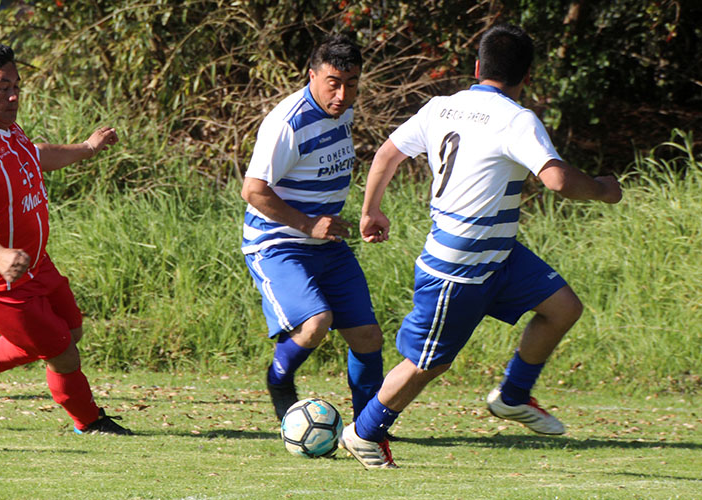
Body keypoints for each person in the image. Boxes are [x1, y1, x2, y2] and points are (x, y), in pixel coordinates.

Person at [341, 24, 622, 468]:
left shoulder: (442, 107)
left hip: (500, 255)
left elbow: (387, 155)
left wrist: (369, 210)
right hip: (459, 266)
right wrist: (606, 189)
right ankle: (364, 431)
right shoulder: (516, 119)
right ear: (526, 77)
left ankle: (512, 396)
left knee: (563, 306)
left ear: (477, 67)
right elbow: (558, 180)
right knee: (426, 364)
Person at [0, 42, 131, 435]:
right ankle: (90, 422)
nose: (13, 95)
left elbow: (35, 154)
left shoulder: (8, 129)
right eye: (2, 86)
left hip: (32, 262)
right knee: (62, 351)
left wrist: (87, 148)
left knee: (70, 330)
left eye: (16, 85)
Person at [241, 34, 386, 424]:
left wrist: (366, 214)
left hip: (326, 243)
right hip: (277, 244)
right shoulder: (287, 123)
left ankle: (369, 427)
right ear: (312, 76)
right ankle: (279, 380)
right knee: (315, 322)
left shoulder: (344, 111)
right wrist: (307, 223)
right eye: (333, 83)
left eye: (351, 83)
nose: (341, 94)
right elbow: (253, 191)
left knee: (369, 338)